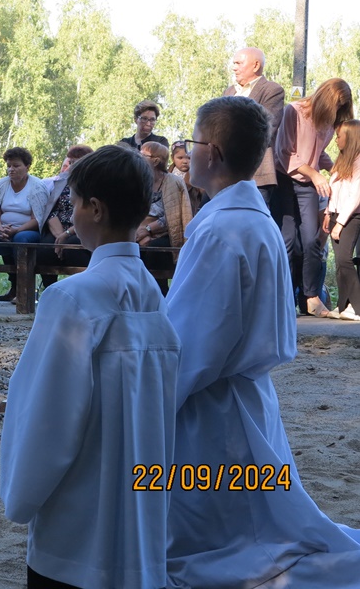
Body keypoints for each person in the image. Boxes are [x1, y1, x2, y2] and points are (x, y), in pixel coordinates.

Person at [166, 95, 360, 587]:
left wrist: (152, 395)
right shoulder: (253, 221)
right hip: (246, 396)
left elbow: (193, 342)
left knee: (224, 540)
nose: (187, 152)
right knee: (252, 517)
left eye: (192, 142)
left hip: (211, 406)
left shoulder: (221, 231)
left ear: (211, 152)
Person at [0, 145, 180, 589]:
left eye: (75, 202)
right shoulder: (155, 297)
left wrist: (20, 497)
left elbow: (47, 414)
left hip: (75, 538)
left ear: (95, 209)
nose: (72, 213)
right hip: (140, 523)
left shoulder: (71, 298)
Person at [274, 77, 353, 317]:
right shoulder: (294, 111)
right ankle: (284, 298)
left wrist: (335, 169)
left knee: (312, 240)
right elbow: (284, 153)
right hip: (284, 179)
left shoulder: (329, 122)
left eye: (341, 109)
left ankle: (311, 297)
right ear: (326, 98)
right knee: (287, 240)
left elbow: (317, 154)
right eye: (336, 106)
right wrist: (315, 174)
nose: (336, 113)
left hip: (307, 183)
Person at [0, 147, 48, 304]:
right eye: (9, 165)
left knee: (21, 238)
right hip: (4, 229)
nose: (11, 169)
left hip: (28, 231)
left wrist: (16, 230)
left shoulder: (37, 187)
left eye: (16, 165)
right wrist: (0, 228)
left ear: (27, 166)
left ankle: (23, 290)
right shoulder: (1, 185)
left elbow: (38, 219)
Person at [223, 46, 286, 213]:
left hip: (256, 174)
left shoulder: (272, 90)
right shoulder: (229, 92)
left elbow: (265, 128)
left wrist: (229, 132)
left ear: (256, 65)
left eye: (238, 63)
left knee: (252, 219)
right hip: (224, 173)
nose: (234, 67)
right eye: (234, 63)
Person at [36, 145, 94, 287]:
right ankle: (50, 290)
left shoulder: (93, 184)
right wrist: (59, 236)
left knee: (73, 247)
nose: (71, 166)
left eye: (75, 162)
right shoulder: (62, 182)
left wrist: (67, 234)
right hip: (58, 229)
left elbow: (89, 214)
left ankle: (82, 288)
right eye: (70, 162)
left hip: (82, 229)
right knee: (44, 248)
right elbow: (51, 211)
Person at [324, 119, 360, 320]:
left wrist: (340, 223)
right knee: (339, 262)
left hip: (351, 216)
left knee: (345, 259)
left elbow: (355, 195)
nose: (336, 140)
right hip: (336, 214)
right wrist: (328, 213)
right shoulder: (341, 161)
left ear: (351, 137)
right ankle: (343, 305)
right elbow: (335, 190)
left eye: (339, 136)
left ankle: (358, 306)